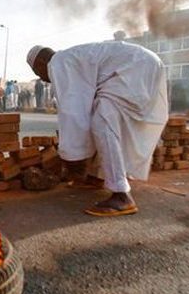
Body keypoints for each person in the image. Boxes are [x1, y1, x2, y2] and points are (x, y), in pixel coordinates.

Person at [25, 38, 168, 217]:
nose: (41, 78)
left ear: (39, 63)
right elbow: (84, 107)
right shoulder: (72, 57)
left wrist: (72, 157)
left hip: (134, 68)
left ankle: (122, 196)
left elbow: (73, 112)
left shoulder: (58, 63)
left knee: (103, 122)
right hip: (144, 63)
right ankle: (97, 177)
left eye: (37, 72)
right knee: (99, 116)